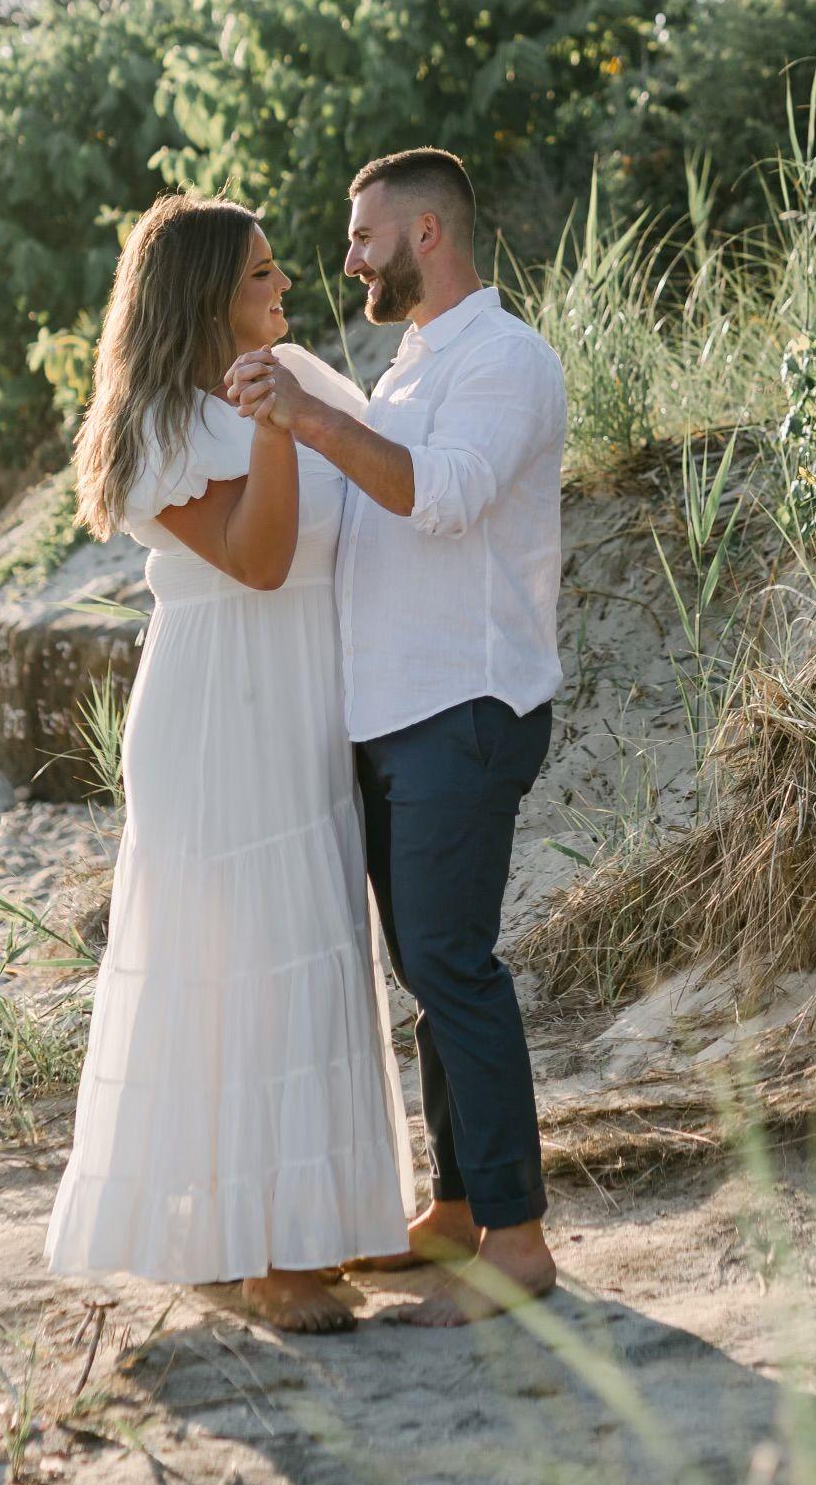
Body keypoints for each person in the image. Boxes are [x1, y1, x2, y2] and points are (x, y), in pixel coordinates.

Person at [42, 195, 410, 1334]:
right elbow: (255, 560)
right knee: (247, 956)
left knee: (313, 944)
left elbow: (391, 469)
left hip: (307, 695)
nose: (284, 291)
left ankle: (305, 1224)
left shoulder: (291, 370)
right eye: (261, 277)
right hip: (218, 707)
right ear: (209, 296)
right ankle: (267, 1254)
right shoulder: (155, 423)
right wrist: (271, 420)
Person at [225, 147, 571, 1316]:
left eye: (365, 235)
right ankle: (461, 1209)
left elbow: (446, 496)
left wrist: (318, 422)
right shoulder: (416, 362)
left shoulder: (507, 360)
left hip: (464, 705)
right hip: (393, 713)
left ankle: (519, 1243)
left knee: (454, 968)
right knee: (429, 968)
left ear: (427, 235)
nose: (348, 258)